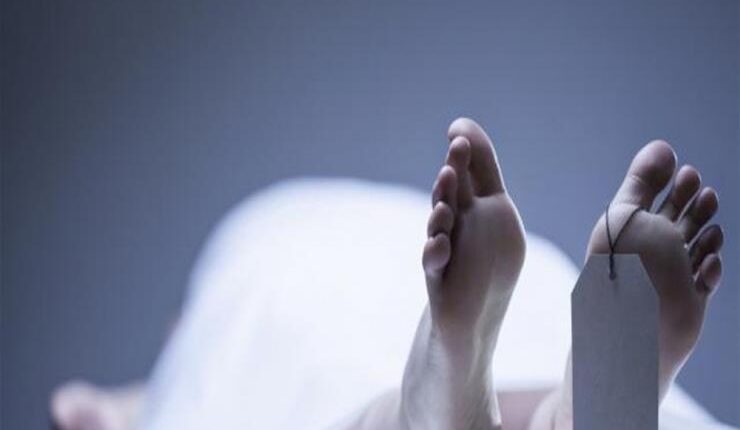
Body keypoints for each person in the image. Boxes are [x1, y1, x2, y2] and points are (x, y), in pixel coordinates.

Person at [52, 118, 731, 430]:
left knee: (317, 394)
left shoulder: (207, 338)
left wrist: (116, 408)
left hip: (278, 267)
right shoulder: (245, 272)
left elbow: (89, 408)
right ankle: (565, 413)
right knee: (535, 381)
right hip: (299, 244)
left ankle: (432, 403)